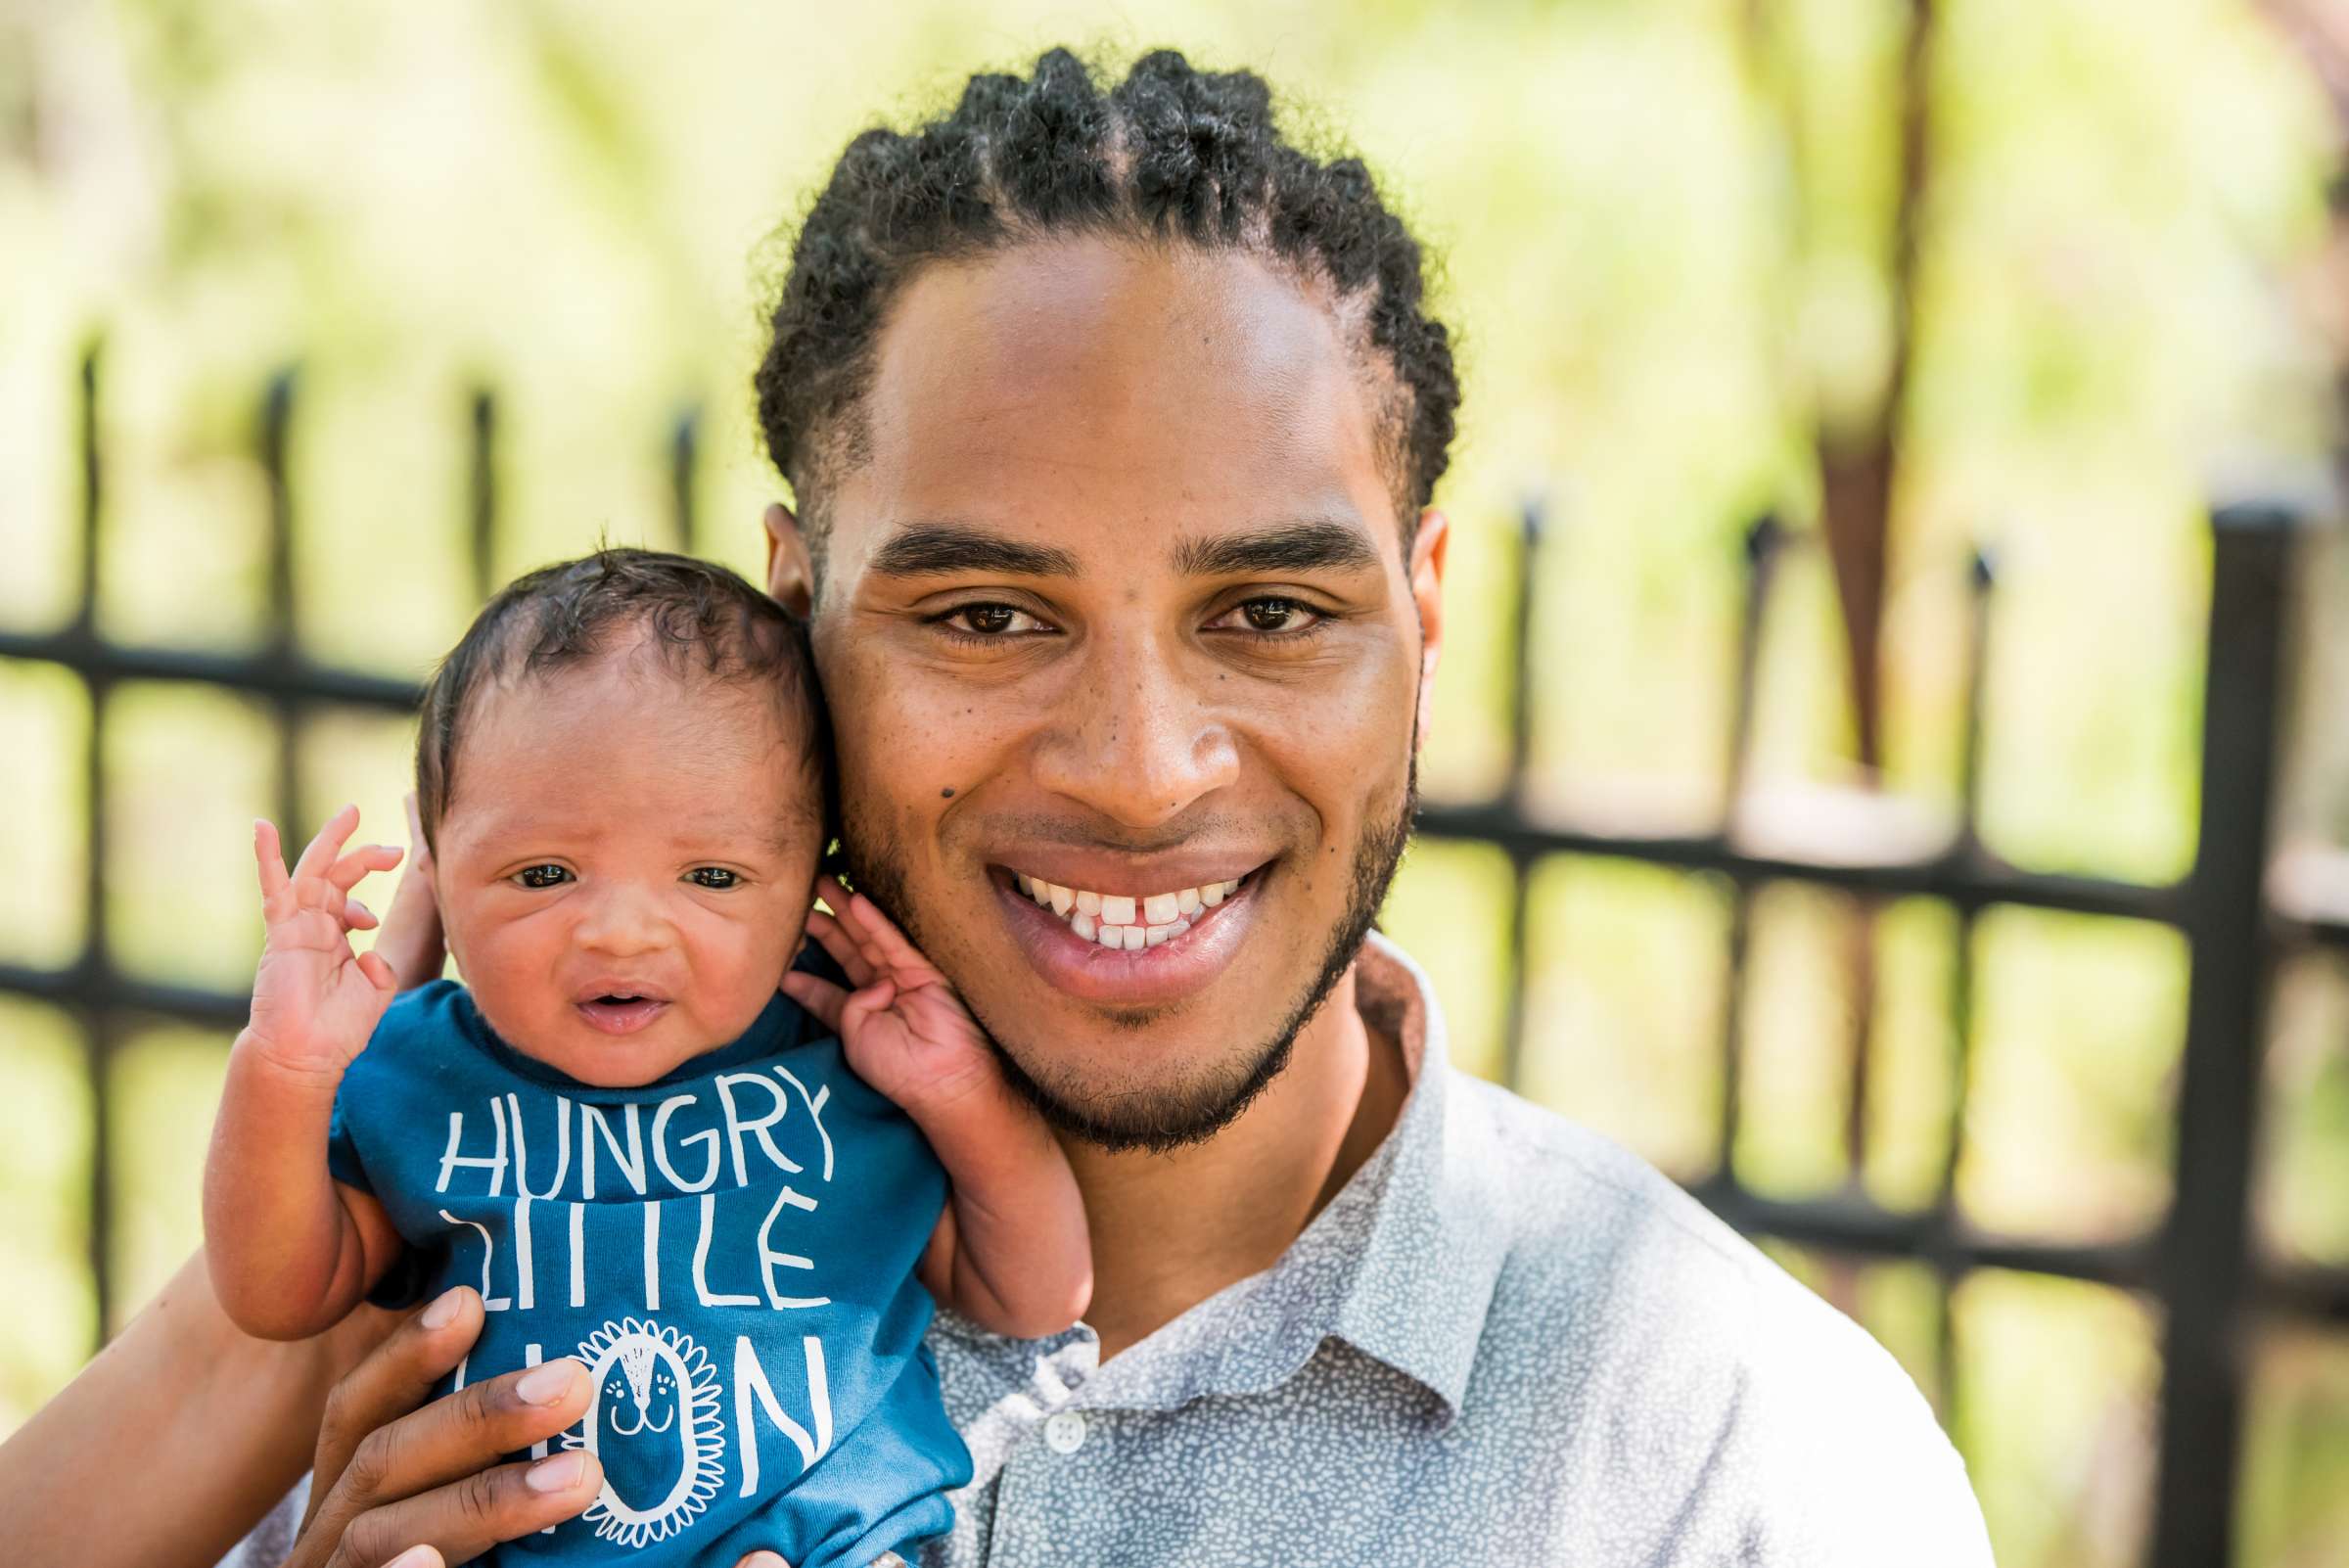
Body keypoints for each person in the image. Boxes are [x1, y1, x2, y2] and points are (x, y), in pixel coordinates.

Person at [0, 44, 1995, 1568]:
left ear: (1428, 614)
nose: (1141, 763)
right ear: (799, 612)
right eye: (982, 612)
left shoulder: (1722, 1462)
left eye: (1272, 609)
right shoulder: (470, 1273)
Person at [201, 548, 1089, 1566]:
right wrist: (287, 1068)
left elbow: (1036, 1293)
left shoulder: (844, 1064)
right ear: (437, 870)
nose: (621, 932)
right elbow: (278, 1290)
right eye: (543, 874)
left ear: (811, 881)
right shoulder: (426, 1073)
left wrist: (957, 1092)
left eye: (710, 874)